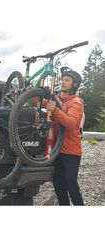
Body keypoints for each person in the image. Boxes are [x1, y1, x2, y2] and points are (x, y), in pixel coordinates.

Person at [47, 68, 84, 205]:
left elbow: (70, 122)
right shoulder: (61, 101)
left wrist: (55, 109)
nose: (63, 82)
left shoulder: (76, 102)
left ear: (74, 84)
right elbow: (45, 104)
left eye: (67, 80)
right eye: (62, 80)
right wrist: (33, 97)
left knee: (71, 186)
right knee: (59, 186)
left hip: (71, 152)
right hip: (58, 150)